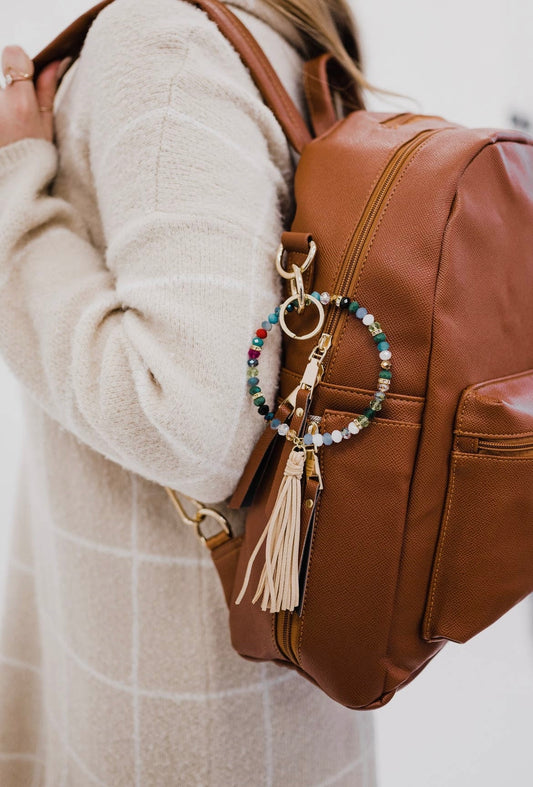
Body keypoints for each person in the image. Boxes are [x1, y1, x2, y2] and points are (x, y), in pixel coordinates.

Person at [0, 0, 376, 783]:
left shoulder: (159, 39)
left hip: (172, 703)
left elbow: (196, 425)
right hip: (262, 678)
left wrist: (14, 201)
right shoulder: (273, 27)